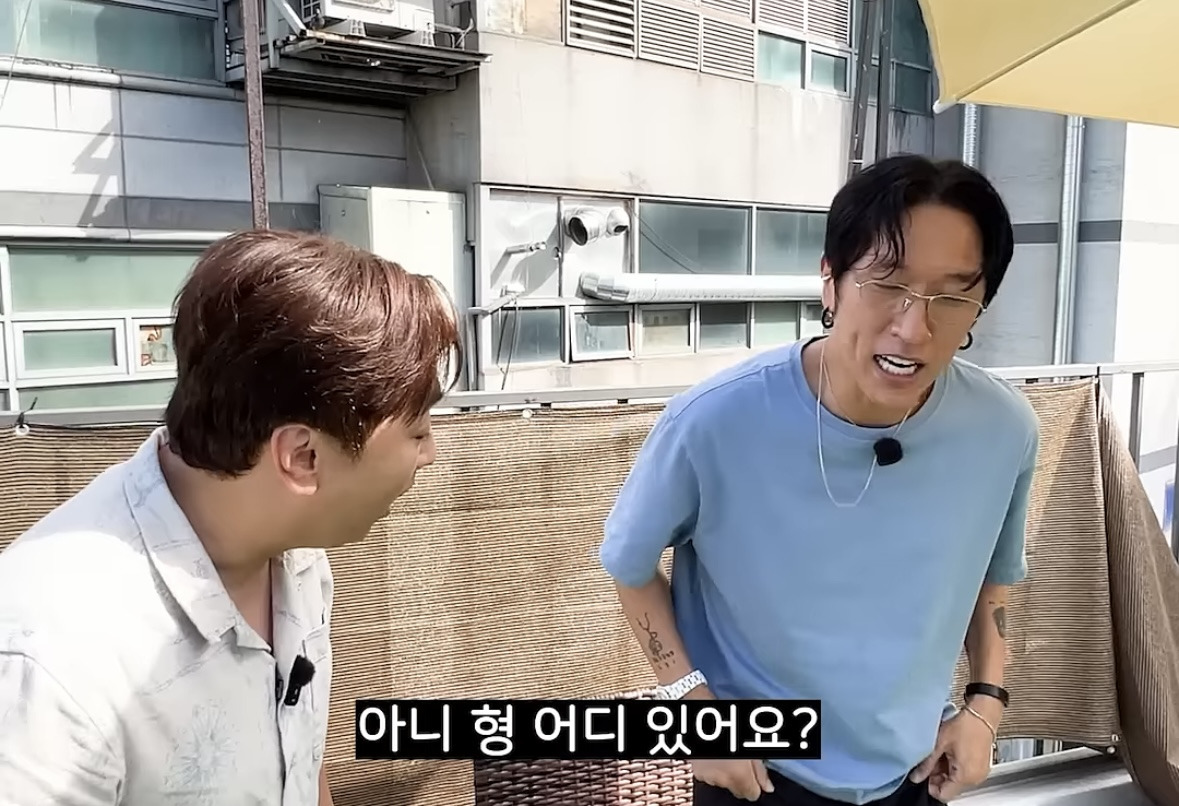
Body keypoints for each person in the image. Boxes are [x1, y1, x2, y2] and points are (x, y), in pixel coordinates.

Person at [599, 154, 1037, 806]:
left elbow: (991, 576)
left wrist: (985, 704)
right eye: (886, 283)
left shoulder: (1003, 428)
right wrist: (690, 704)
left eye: (951, 295)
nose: (914, 327)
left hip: (916, 770)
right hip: (756, 774)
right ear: (829, 282)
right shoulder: (713, 420)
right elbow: (628, 565)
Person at [0, 230, 460, 805]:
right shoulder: (49, 664)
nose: (430, 453)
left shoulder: (296, 555)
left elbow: (302, 757)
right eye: (417, 430)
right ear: (303, 457)